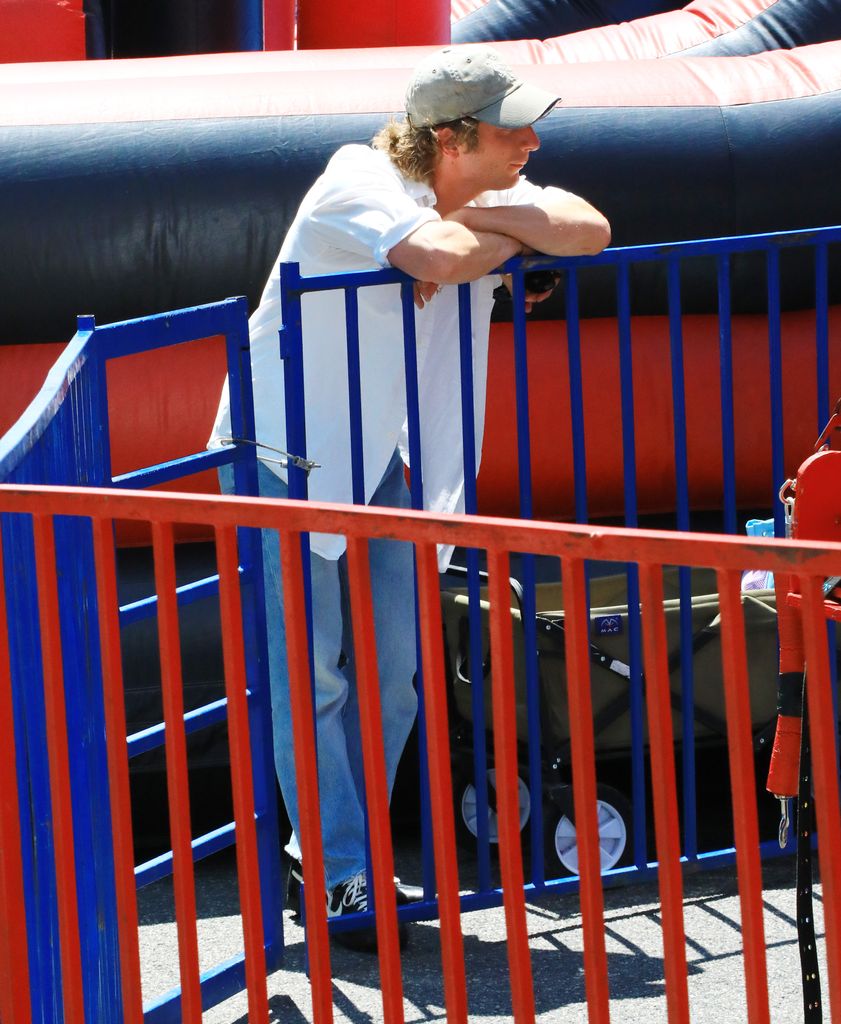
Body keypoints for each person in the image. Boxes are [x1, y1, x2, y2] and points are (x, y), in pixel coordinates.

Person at [209, 44, 610, 951]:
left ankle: (335, 855)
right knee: (310, 678)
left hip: (374, 450)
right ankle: (343, 867)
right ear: (451, 137)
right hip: (280, 450)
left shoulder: (472, 192)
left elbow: (589, 227)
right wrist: (502, 246)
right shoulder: (354, 175)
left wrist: (494, 239)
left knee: (392, 676)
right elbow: (433, 251)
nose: (534, 142)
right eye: (513, 129)